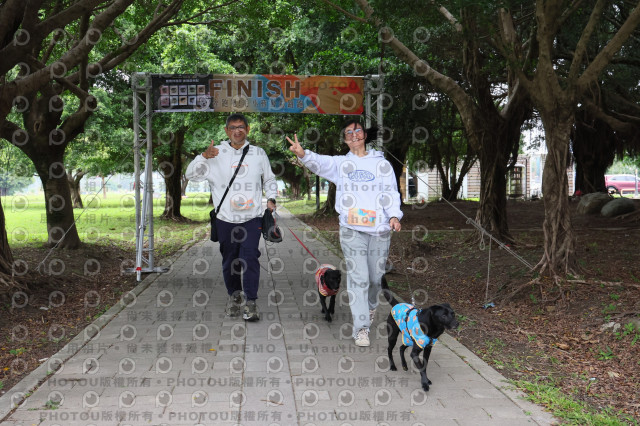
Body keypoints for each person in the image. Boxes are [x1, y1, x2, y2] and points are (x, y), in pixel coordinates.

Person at [287, 120, 402, 346]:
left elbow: (391, 192)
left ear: (365, 135)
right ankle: (361, 328)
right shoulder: (341, 164)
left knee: (375, 279)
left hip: (379, 230)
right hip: (351, 230)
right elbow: (320, 162)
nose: (354, 134)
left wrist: (394, 216)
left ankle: (370, 308)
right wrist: (303, 154)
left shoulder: (382, 164)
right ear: (345, 139)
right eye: (349, 132)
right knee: (359, 278)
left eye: (357, 130)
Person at [186, 113, 277, 321]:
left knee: (250, 258)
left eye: (241, 127)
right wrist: (203, 156)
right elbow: (190, 175)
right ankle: (235, 297)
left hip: (252, 218)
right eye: (233, 127)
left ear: (248, 129)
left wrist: (271, 198)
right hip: (225, 220)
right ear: (227, 131)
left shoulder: (258, 153)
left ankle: (251, 302)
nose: (238, 131)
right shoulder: (215, 153)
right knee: (230, 261)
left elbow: (270, 179)